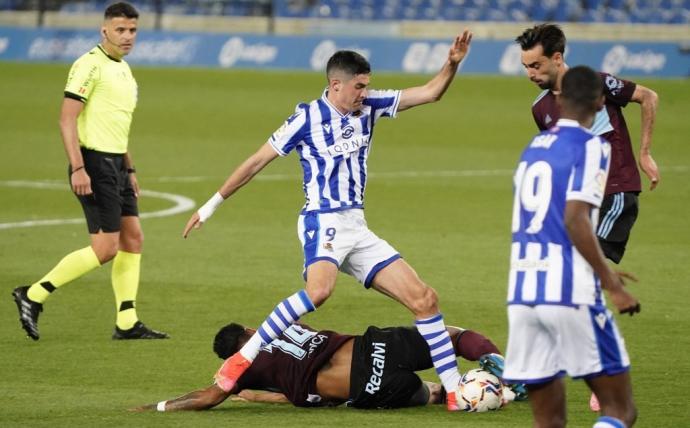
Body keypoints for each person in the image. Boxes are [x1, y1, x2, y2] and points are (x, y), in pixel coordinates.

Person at [182, 31, 473, 410]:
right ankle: (245, 356)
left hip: (357, 226)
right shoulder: (306, 118)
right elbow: (256, 161)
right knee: (319, 291)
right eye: (359, 87)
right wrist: (210, 205)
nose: (364, 93)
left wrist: (451, 63)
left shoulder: (369, 105)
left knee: (424, 299)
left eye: (367, 86)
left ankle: (454, 392)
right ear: (336, 85)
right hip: (322, 221)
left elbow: (431, 92)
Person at [12, 2, 168, 341]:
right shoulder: (89, 65)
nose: (128, 37)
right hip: (93, 164)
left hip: (116, 165)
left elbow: (117, 124)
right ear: (105, 31)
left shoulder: (124, 70)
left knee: (134, 239)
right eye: (121, 30)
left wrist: (130, 168)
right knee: (105, 249)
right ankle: (34, 294)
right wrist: (79, 168)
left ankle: (127, 322)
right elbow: (66, 118)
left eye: (133, 30)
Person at [502, 65, 641, 428]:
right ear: (599, 101)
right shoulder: (593, 146)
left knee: (548, 422)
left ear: (559, 99)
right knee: (620, 410)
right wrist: (612, 282)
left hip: (522, 295)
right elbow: (575, 218)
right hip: (568, 293)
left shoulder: (533, 147)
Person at [515, 23, 660, 265]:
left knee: (583, 264)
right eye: (526, 67)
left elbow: (648, 97)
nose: (530, 73)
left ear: (557, 58)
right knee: (574, 269)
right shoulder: (540, 108)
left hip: (615, 192)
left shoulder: (595, 84)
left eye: (536, 65)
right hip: (580, 201)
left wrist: (644, 153)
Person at [134, 321, 514, 411]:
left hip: (367, 387)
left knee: (430, 393)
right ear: (249, 329)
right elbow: (314, 337)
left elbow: (208, 395)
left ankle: (488, 394)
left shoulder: (241, 366)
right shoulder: (278, 324)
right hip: (374, 346)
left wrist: (162, 405)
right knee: (450, 335)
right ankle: (509, 372)